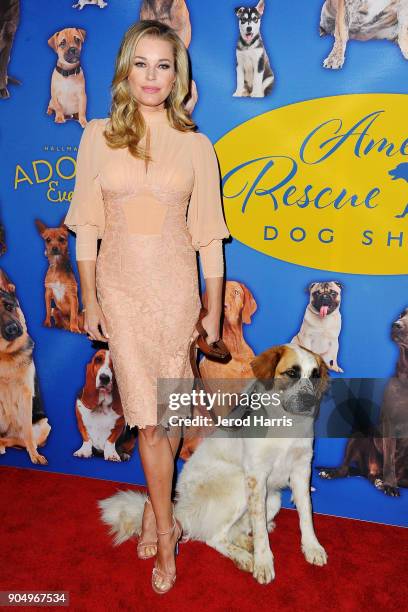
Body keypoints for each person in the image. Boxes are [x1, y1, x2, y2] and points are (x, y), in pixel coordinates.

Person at [64, 20, 230, 594]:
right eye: (142, 64)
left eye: (164, 65)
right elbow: (85, 227)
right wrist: (88, 298)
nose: (152, 76)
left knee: (160, 422)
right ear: (125, 70)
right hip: (121, 295)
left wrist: (211, 312)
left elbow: (209, 237)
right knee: (148, 420)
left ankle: (160, 520)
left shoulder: (195, 145)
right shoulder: (96, 135)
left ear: (177, 75)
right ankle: (166, 527)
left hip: (175, 295)